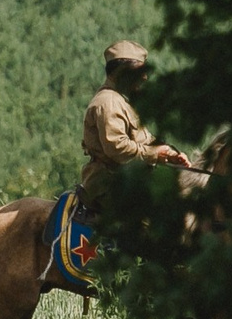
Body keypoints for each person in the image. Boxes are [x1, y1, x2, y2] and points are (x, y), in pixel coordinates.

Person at [78, 41, 191, 216]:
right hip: (108, 183)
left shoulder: (121, 101)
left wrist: (170, 154)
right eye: (139, 71)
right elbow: (117, 148)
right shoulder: (108, 102)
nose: (144, 77)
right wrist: (154, 154)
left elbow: (144, 140)